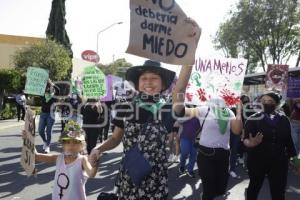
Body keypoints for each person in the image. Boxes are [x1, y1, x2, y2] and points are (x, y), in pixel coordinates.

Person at [90, 60, 180, 199]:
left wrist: (188, 60)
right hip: (129, 176)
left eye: (154, 78)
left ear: (162, 84)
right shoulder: (125, 107)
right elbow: (115, 139)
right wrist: (98, 149)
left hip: (156, 181)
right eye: (144, 78)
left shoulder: (168, 109)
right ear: (137, 84)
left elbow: (181, 90)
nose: (148, 82)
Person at [172, 67, 243, 200]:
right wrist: (178, 93)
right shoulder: (204, 109)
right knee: (209, 188)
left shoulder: (230, 112)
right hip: (206, 154)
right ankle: (206, 195)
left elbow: (236, 131)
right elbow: (181, 111)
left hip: (223, 155)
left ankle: (206, 194)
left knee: (221, 188)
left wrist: (239, 111)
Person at [22, 120, 98, 200]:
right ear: (63, 145)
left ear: (82, 145)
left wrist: (95, 164)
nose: (71, 145)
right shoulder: (58, 158)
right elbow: (36, 156)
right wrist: (28, 139)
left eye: (75, 142)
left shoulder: (82, 160)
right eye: (67, 142)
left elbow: (91, 173)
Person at [243, 91, 297, 200]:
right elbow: (245, 140)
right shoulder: (253, 119)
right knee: (254, 187)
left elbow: (288, 140)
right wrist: (251, 143)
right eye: (263, 101)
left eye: (270, 101)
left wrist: (295, 158)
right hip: (257, 160)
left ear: (277, 104)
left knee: (278, 191)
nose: (266, 103)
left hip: (279, 161)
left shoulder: (284, 120)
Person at [38, 80, 59, 153]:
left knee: (48, 131)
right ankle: (45, 141)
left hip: (51, 115)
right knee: (40, 130)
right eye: (48, 87)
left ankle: (47, 146)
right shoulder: (44, 94)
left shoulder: (55, 96)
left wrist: (52, 83)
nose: (49, 89)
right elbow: (39, 89)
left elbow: (58, 90)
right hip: (43, 114)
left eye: (51, 88)